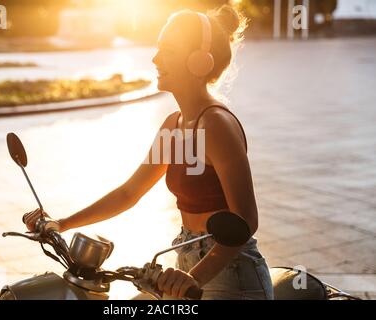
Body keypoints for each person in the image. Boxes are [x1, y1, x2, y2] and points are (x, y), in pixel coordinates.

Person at [23, 4, 273, 300]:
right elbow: (129, 192)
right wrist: (61, 223)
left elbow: (246, 221)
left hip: (231, 273)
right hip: (186, 258)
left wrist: (191, 278)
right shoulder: (174, 125)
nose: (155, 58)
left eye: (167, 49)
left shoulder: (216, 125)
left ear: (198, 61)